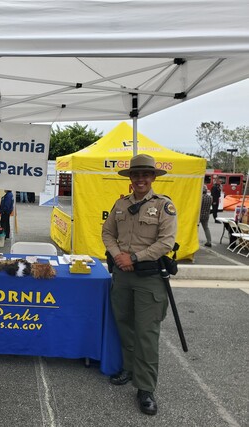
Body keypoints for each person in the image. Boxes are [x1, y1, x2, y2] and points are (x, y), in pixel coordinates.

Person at [101, 154, 177, 416]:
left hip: (149, 278)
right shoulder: (120, 204)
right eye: (136, 175)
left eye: (145, 175)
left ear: (153, 177)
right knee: (125, 324)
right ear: (130, 179)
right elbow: (107, 233)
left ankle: (145, 388)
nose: (140, 179)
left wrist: (133, 257)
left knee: (146, 333)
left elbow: (166, 242)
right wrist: (118, 257)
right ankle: (130, 369)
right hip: (122, 276)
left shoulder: (164, 206)